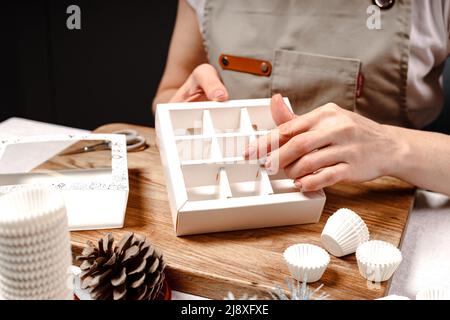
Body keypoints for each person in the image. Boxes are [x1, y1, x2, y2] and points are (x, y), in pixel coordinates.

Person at [153, 0, 450, 196]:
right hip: (234, 193)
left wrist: (392, 147)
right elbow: (167, 95)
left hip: (380, 209)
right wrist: (183, 116)